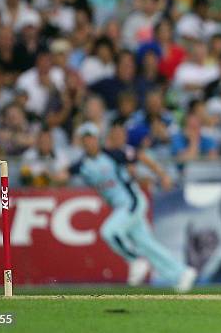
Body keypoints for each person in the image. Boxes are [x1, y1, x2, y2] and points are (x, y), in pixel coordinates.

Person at [56, 122, 196, 291]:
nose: (89, 143)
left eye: (91, 138)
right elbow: (63, 174)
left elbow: (140, 156)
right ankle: (181, 273)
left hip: (132, 202)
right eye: (85, 139)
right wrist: (54, 175)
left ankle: (134, 259)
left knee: (109, 232)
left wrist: (162, 175)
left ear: (97, 139)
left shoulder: (112, 154)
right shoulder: (82, 165)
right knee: (146, 243)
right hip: (120, 206)